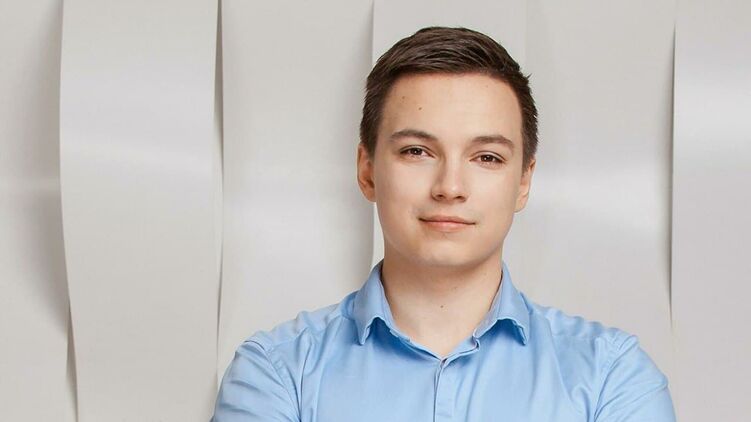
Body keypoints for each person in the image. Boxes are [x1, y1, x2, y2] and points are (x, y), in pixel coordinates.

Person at [211, 26, 676, 421]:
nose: (450, 187)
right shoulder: (276, 374)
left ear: (523, 182)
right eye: (417, 151)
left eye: (487, 157)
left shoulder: (611, 377)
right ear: (367, 171)